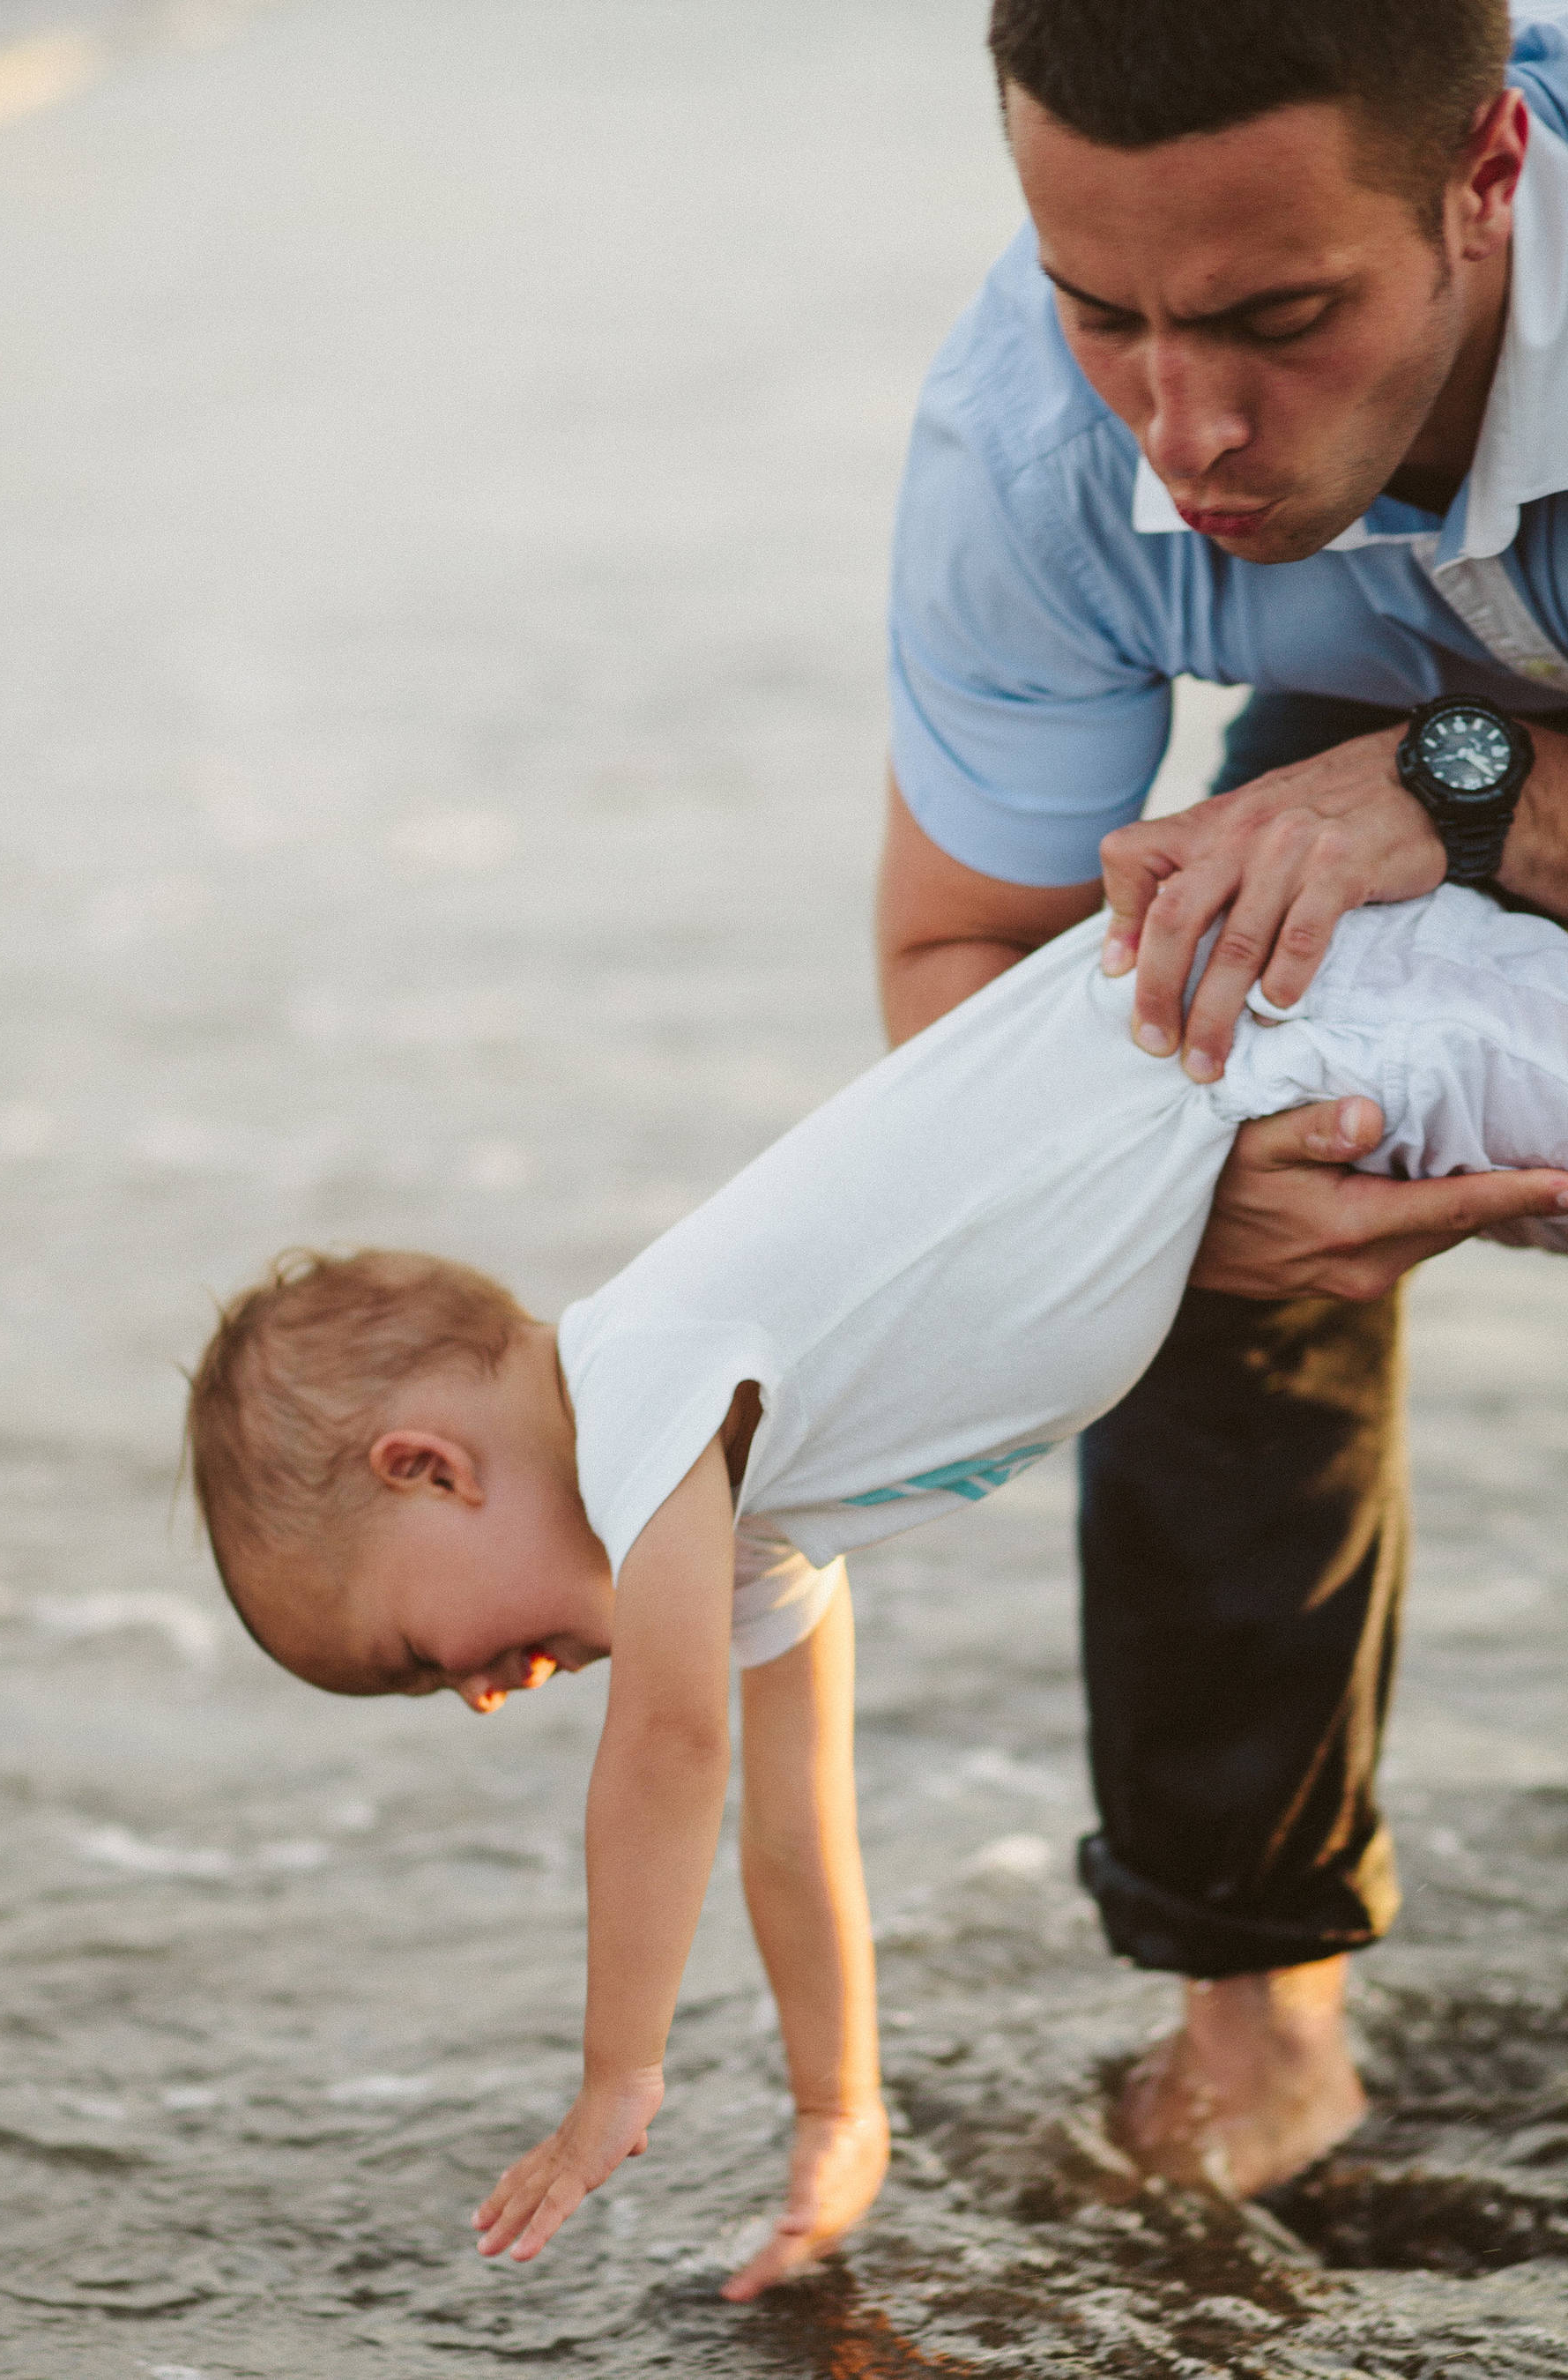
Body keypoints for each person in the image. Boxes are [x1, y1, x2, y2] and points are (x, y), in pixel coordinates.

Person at [187, 883, 1568, 2288]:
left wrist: (616, 2082)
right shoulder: (737, 1503)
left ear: (430, 1469)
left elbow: (671, 1747)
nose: (477, 1698)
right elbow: (793, 1824)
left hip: (1320, 1027)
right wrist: (840, 2110)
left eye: (422, 1654)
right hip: (1322, 1058)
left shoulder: (644, 1386)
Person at [881, 0, 1568, 2191]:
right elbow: (956, 966)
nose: (1184, 428)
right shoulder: (1031, 445)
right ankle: (1259, 2019)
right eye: (1109, 312)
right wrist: (1162, 1207)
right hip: (1395, 762)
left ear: (1490, 177)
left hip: (1447, 755)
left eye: (1280, 319)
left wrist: (1461, 786)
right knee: (1155, 1048)